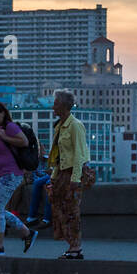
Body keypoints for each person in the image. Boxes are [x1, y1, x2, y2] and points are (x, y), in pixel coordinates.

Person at [0, 102, 37, 255]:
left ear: (3, 113)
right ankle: (27, 233)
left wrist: (5, 136)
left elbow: (24, 141)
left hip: (11, 174)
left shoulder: (9, 127)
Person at [47, 90, 91, 260]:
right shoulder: (60, 125)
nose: (53, 107)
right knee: (61, 210)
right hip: (62, 173)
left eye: (56, 103)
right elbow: (59, 155)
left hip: (74, 173)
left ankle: (76, 247)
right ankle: (71, 245)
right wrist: (53, 176)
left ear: (64, 106)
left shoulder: (75, 125)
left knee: (72, 211)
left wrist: (75, 179)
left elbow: (80, 153)